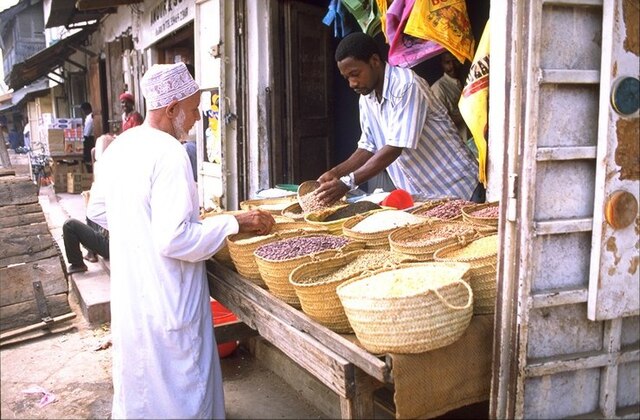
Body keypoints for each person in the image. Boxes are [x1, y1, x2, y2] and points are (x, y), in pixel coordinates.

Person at [87, 62, 275, 419]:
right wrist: (234, 222)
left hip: (135, 292)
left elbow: (98, 210)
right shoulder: (170, 153)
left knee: (143, 389)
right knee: (184, 390)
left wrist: (139, 230)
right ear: (171, 109)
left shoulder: (122, 145)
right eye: (191, 110)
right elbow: (175, 240)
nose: (195, 119)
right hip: (168, 292)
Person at [316, 32, 479, 205]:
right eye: (347, 77)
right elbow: (368, 146)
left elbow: (395, 147)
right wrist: (336, 173)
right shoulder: (366, 97)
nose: (352, 83)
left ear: (375, 61)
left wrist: (348, 182)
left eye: (355, 73)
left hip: (458, 188)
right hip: (423, 198)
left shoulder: (406, 86)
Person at [431, 51, 469, 144]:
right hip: (462, 143)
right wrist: (470, 112)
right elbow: (443, 121)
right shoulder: (439, 88)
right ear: (442, 64)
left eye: (455, 60)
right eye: (447, 62)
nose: (452, 66)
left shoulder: (466, 80)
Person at [80, 102, 95, 172]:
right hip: (89, 138)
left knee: (88, 159)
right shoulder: (89, 117)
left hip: (89, 139)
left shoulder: (90, 118)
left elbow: (87, 133)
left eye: (83, 111)